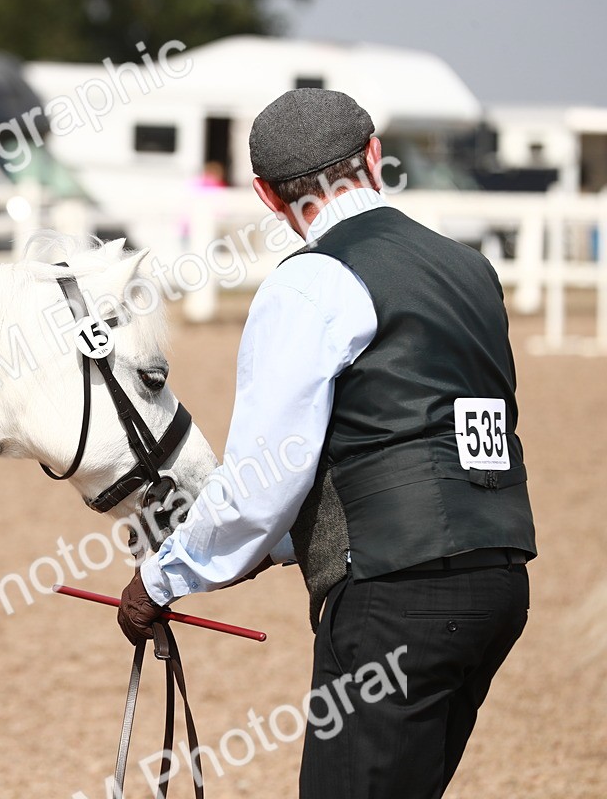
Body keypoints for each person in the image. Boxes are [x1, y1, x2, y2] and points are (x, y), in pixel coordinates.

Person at [117, 88, 536, 798]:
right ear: (374, 157)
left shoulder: (310, 283)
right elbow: (410, 431)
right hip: (498, 580)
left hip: (397, 595)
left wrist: (164, 578)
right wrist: (281, 547)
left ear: (266, 196)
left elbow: (263, 481)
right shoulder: (471, 270)